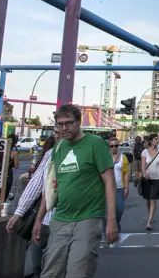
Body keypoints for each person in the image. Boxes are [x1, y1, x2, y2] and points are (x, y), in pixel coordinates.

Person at [33, 104, 118, 278]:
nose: (64, 128)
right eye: (60, 124)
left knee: (78, 272)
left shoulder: (96, 144)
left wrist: (111, 220)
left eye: (69, 123)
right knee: (51, 272)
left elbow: (110, 182)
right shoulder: (58, 148)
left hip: (88, 219)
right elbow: (51, 187)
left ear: (79, 122)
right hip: (60, 219)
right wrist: (39, 219)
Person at [6, 127, 60, 278]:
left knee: (55, 265)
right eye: (55, 132)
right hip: (45, 219)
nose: (58, 135)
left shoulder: (81, 153)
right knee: (35, 260)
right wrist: (18, 213)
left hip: (68, 221)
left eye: (63, 128)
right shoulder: (50, 154)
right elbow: (37, 184)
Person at [104, 138, 129, 247]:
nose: (114, 148)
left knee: (119, 209)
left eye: (116, 145)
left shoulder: (123, 158)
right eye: (112, 146)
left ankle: (116, 224)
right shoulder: (104, 158)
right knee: (106, 212)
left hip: (119, 187)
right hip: (106, 188)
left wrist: (127, 187)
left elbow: (126, 173)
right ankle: (106, 232)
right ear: (108, 147)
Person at [140, 133, 159, 230]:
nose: (157, 140)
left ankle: (149, 221)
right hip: (147, 178)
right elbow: (143, 165)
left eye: (158, 139)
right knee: (148, 200)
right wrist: (144, 173)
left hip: (157, 177)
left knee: (153, 199)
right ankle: (151, 215)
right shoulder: (145, 152)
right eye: (155, 139)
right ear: (151, 141)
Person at [5, 133, 20, 199]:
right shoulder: (14, 153)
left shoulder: (2, 149)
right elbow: (16, 166)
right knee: (5, 196)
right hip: (8, 175)